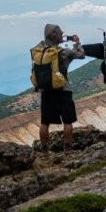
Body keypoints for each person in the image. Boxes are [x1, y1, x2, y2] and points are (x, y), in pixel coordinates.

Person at [34, 23, 85, 151]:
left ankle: (44, 150)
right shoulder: (64, 52)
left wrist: (55, 41)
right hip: (63, 89)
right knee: (68, 121)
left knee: (45, 122)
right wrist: (77, 43)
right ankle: (67, 150)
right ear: (56, 36)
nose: (62, 36)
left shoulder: (38, 51)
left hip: (46, 90)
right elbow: (81, 55)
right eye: (60, 34)